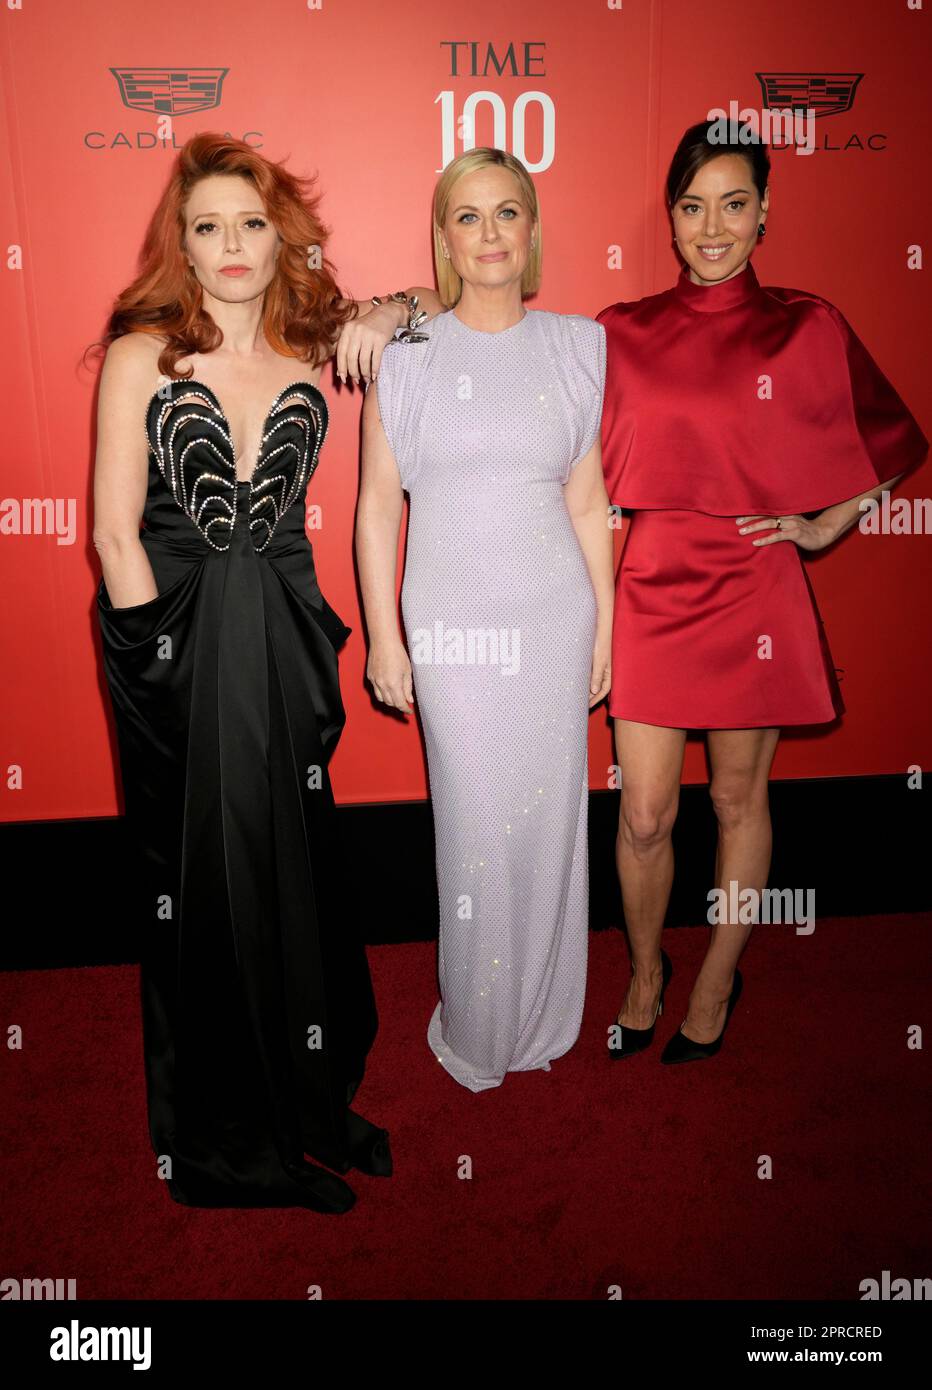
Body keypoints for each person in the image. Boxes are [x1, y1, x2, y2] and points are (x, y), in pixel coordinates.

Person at [91, 133, 443, 1211]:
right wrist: (162, 676)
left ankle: (304, 1095)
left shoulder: (310, 339)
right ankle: (230, 1145)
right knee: (213, 882)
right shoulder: (142, 352)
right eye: (207, 227)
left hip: (285, 642)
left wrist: (383, 313)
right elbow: (113, 535)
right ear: (182, 248)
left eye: (250, 222)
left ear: (276, 232)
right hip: (182, 646)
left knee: (291, 865)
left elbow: (446, 294)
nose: (232, 244)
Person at [597, 120, 928, 1063]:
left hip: (755, 587)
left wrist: (830, 520)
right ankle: (647, 968)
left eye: (734, 205)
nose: (712, 228)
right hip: (655, 583)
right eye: (694, 206)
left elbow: (894, 435)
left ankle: (713, 981)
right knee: (646, 813)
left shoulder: (806, 322)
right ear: (669, 217)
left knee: (740, 803)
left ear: (765, 211)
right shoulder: (623, 331)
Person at [356, 147, 613, 1092]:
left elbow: (589, 504)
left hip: (554, 615)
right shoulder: (406, 358)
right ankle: (478, 1020)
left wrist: (609, 629)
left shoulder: (580, 346)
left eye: (509, 212)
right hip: (453, 628)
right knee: (472, 822)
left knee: (549, 823)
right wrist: (385, 635)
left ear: (532, 230)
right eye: (469, 216)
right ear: (444, 239)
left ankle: (543, 1014)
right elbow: (378, 508)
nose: (491, 233)